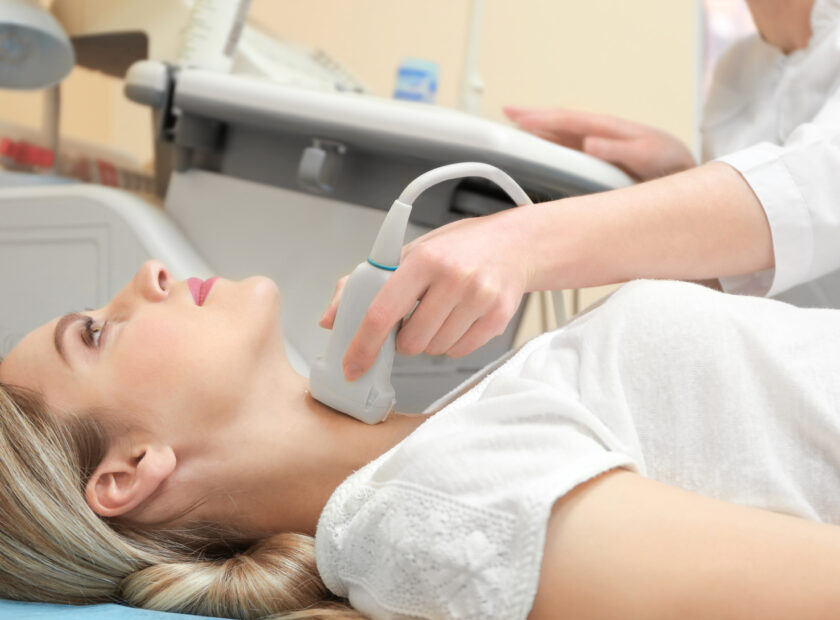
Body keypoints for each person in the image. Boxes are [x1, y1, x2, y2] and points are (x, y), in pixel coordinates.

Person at [3, 260, 840, 619]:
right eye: (95, 332)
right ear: (129, 472)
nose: (145, 278)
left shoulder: (441, 460)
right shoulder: (440, 508)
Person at [321, 0, 840, 384]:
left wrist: (515, 243)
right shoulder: (742, 70)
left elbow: (813, 188)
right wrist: (681, 174)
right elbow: (762, 263)